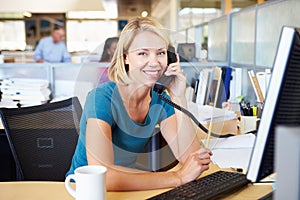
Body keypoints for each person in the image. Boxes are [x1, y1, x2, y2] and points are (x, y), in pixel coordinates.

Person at [67, 17, 212, 191]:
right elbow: (102, 176)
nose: (154, 62)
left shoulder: (161, 99)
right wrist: (178, 177)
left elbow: (193, 159)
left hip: (129, 187)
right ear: (125, 58)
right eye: (143, 53)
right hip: (84, 191)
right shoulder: (102, 98)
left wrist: (179, 97)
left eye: (160, 53)